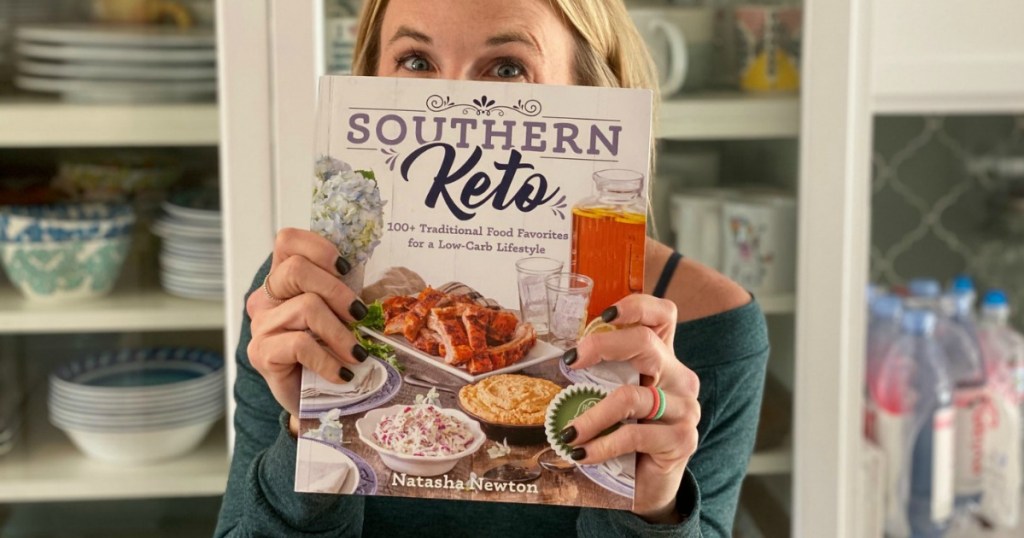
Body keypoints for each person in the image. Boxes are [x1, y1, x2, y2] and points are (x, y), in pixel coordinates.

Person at [215, 0, 769, 536]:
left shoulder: (715, 329)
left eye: (507, 68)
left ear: (598, 96)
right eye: (415, 61)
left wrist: (652, 509)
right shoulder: (306, 300)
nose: (454, 102)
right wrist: (306, 440)